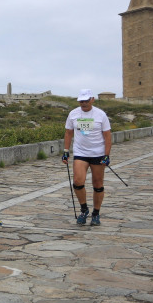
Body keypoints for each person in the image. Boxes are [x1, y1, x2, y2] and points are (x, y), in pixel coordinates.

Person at [62, 89, 111, 226]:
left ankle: (96, 213)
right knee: (78, 182)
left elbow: (107, 136)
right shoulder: (73, 114)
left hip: (98, 153)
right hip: (80, 153)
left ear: (92, 100)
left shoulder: (101, 115)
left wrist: (106, 155)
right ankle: (84, 209)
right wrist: (66, 151)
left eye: (86, 100)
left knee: (98, 184)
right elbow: (68, 133)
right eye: (81, 101)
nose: (83, 103)